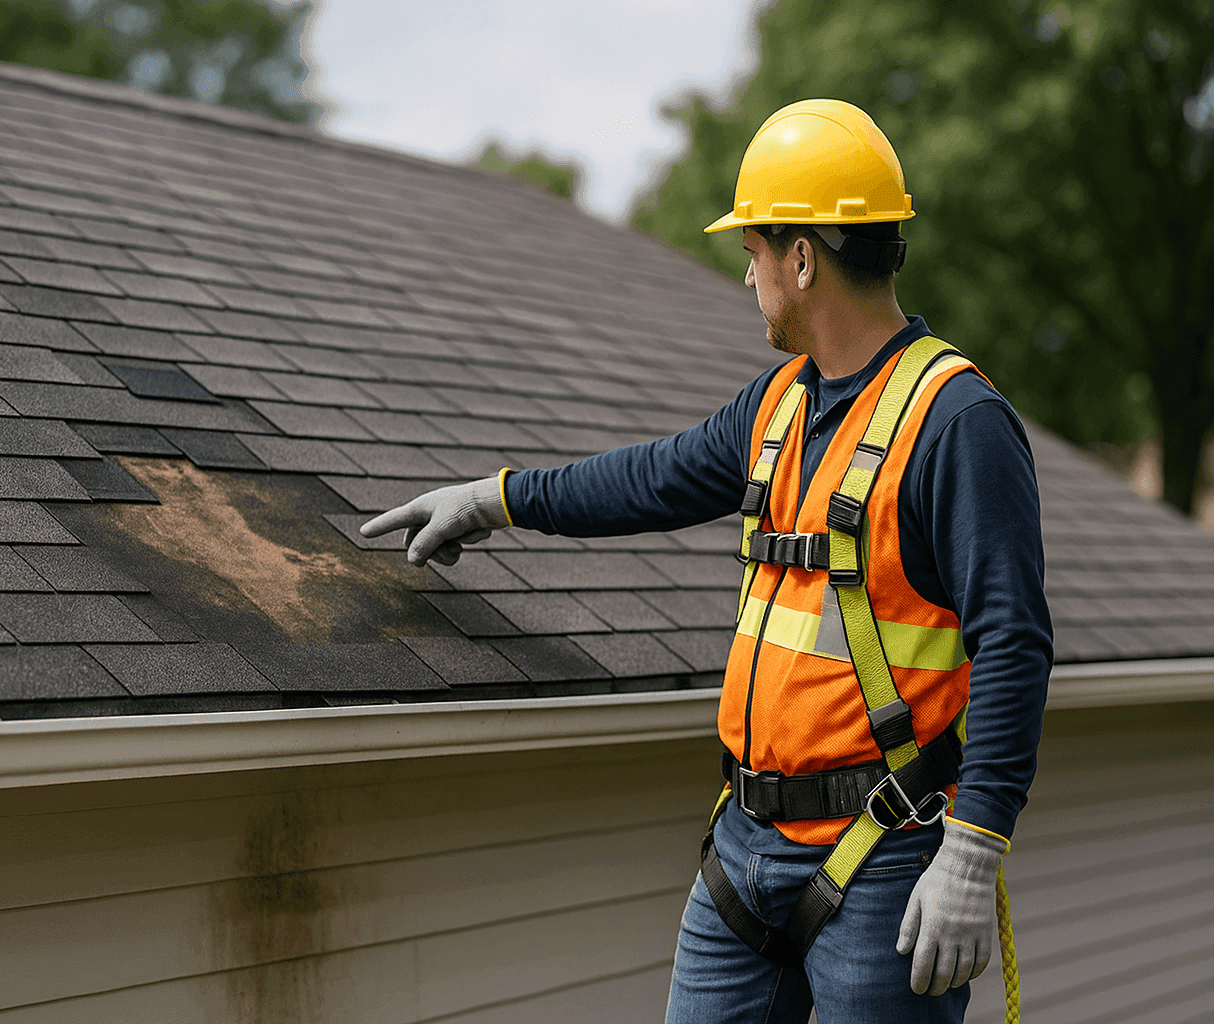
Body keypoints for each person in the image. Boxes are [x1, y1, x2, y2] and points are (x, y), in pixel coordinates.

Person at [362, 99, 1052, 1024]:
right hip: (746, 845)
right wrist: (491, 500)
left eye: (753, 256)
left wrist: (973, 851)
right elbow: (645, 479)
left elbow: (1014, 642)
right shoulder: (777, 409)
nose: (748, 282)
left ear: (802, 258)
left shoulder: (955, 424)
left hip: (885, 853)